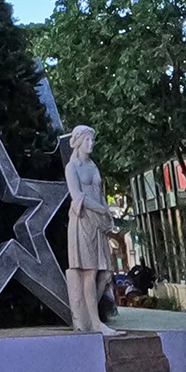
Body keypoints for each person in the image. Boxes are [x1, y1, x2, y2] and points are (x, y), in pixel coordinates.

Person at [64, 125, 117, 334]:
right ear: (78, 141)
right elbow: (77, 196)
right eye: (87, 140)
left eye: (92, 140)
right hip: (84, 220)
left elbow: (99, 192)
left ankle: (89, 312)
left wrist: (107, 214)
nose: (91, 144)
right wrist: (101, 210)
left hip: (99, 223)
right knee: (90, 272)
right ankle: (95, 323)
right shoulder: (72, 167)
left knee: (106, 274)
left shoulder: (93, 166)